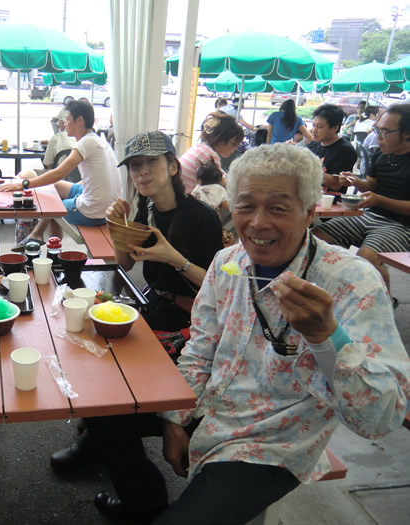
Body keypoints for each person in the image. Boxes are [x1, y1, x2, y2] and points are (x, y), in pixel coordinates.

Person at [53, 143, 410, 523]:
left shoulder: (353, 282)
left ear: (309, 212)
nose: (257, 223)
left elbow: (378, 418)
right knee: (104, 407)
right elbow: (201, 346)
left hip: (271, 440)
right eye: (245, 206)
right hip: (208, 402)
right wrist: (175, 418)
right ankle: (143, 504)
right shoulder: (228, 262)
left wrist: (326, 337)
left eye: (278, 208)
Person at [105, 131, 223, 331]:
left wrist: (173, 259)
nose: (143, 171)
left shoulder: (202, 216)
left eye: (152, 160)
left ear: (173, 167)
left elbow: (216, 285)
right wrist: (117, 227)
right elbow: (125, 263)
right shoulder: (147, 209)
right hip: (154, 301)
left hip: (189, 315)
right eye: (135, 165)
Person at [0, 100, 123, 248]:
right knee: (55, 187)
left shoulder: (85, 143)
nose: (64, 124)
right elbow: (91, 179)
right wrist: (71, 193)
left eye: (68, 119)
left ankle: (43, 240)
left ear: (80, 120)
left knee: (53, 208)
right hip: (107, 207)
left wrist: (24, 183)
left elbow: (57, 173)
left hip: (95, 212)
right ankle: (42, 237)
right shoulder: (99, 141)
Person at [313, 103, 410, 294]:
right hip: (368, 216)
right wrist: (354, 181)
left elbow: (379, 196)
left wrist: (379, 200)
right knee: (314, 239)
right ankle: (334, 291)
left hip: (402, 226)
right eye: (377, 130)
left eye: (385, 131)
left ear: (407, 134)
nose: (378, 136)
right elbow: (372, 185)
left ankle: (385, 302)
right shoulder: (381, 154)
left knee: (366, 258)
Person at [179, 112, 244, 193]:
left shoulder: (199, 148)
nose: (236, 148)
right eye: (234, 144)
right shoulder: (209, 156)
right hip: (186, 197)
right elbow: (223, 184)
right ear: (221, 140)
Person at [305, 103, 357, 191]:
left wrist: (307, 169)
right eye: (314, 126)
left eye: (319, 127)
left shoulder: (345, 150)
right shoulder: (313, 145)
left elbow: (336, 183)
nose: (314, 130)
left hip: (330, 198)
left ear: (335, 127)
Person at [191, 159, 235, 246]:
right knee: (230, 239)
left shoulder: (197, 189)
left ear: (199, 179)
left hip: (194, 228)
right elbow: (229, 208)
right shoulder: (218, 190)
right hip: (211, 229)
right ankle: (220, 252)